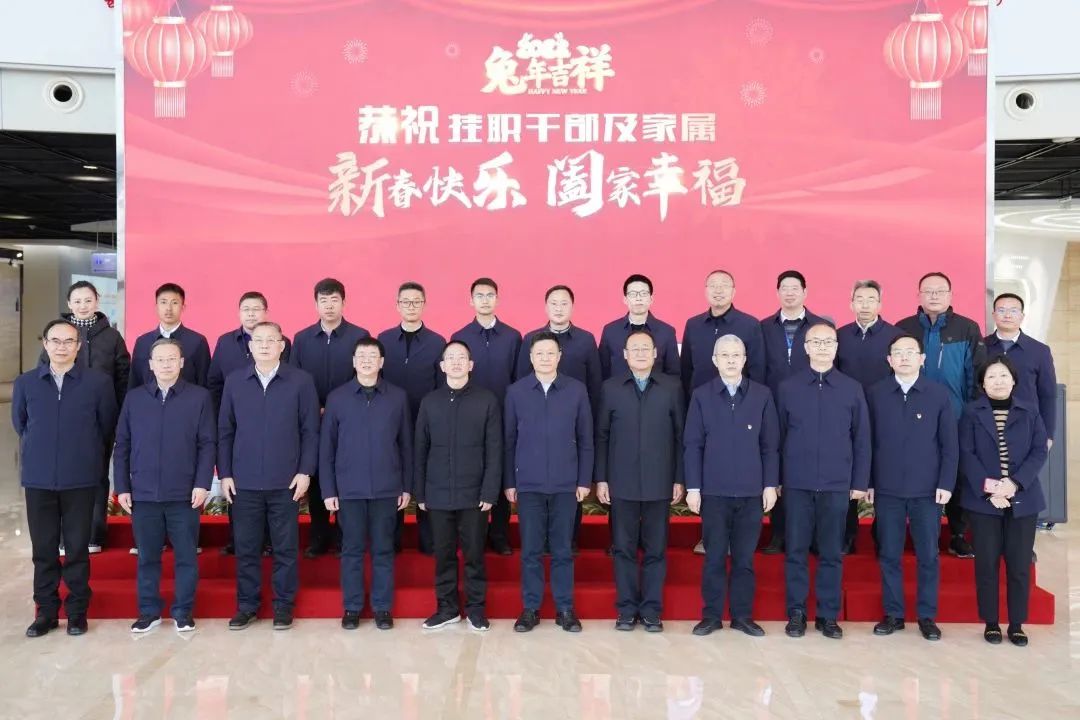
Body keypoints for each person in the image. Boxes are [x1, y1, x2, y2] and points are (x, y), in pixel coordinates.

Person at [14, 319, 118, 637]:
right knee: (44, 549)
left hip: (81, 479)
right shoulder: (27, 383)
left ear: (78, 346)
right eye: (55, 341)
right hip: (38, 479)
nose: (62, 347)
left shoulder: (98, 383)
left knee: (76, 549)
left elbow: (106, 426)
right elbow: (21, 423)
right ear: (45, 344)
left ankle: (76, 613)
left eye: (68, 341)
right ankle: (46, 612)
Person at [219, 322, 320, 631]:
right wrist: (225, 473)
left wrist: (305, 471)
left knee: (285, 548)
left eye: (271, 340)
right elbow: (225, 431)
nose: (264, 345)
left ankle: (283, 606)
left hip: (285, 481)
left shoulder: (301, 381)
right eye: (258, 340)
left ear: (282, 345)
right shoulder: (235, 381)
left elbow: (310, 431)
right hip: (244, 481)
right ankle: (247, 606)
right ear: (250, 346)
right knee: (247, 548)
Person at [114, 338, 216, 633]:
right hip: (143, 494)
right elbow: (123, 445)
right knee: (147, 558)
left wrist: (202, 483)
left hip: (184, 494)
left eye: (172, 359)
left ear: (182, 363)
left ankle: (183, 611)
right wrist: (122, 486)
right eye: (160, 359)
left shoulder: (199, 397)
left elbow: (207, 443)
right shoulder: (135, 399)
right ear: (150, 364)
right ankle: (149, 612)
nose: (166, 364)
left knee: (186, 557)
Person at [778, 323, 870, 640]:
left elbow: (862, 440)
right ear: (805, 347)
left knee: (831, 552)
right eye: (815, 342)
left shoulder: (851, 388)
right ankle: (796, 613)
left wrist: (859, 481)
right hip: (797, 483)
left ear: (836, 347)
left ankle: (828, 615)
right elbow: (777, 437)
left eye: (827, 341)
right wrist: (777, 480)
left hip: (836, 484)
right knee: (796, 551)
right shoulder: (788, 387)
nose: (821, 347)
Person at [684, 334, 779, 638]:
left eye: (736, 355)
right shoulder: (701, 395)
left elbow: (770, 445)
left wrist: (770, 484)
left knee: (744, 559)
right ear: (715, 360)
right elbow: (693, 444)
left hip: (751, 492)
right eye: (724, 355)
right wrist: (693, 488)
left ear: (744, 359)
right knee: (713, 558)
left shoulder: (762, 395)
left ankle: (742, 616)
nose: (730, 360)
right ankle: (711, 616)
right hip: (713, 492)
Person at [865, 334, 957, 642]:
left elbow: (949, 445)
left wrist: (946, 482)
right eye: (898, 353)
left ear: (922, 358)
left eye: (910, 352)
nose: (904, 357)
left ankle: (927, 616)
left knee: (928, 555)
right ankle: (893, 614)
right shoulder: (875, 393)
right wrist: (869, 482)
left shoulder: (938, 394)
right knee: (889, 554)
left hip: (927, 490)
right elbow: (867, 442)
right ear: (889, 360)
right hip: (887, 489)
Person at [595, 329, 684, 632]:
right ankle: (626, 609)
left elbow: (681, 436)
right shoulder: (610, 388)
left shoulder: (672, 387)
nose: (641, 353)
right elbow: (601, 436)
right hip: (621, 482)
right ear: (625, 355)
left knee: (656, 549)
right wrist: (601, 479)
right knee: (623, 549)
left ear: (656, 353)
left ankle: (651, 610)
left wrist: (679, 478)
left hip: (660, 481)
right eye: (635, 349)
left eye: (646, 348)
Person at [320, 337, 412, 631]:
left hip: (387, 488)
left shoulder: (397, 397)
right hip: (349, 489)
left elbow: (406, 446)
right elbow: (327, 449)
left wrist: (406, 486)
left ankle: (383, 608)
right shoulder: (337, 398)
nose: (367, 360)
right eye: (361, 355)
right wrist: (328, 490)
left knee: (384, 550)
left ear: (381, 362)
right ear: (353, 361)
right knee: (352, 551)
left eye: (373, 356)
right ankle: (352, 607)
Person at [505, 332, 594, 633]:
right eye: (539, 353)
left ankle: (565, 609)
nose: (545, 358)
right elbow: (508, 441)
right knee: (530, 550)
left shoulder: (576, 390)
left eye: (550, 353)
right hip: (528, 484)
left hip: (565, 484)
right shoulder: (516, 392)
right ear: (531, 358)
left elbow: (586, 439)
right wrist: (510, 481)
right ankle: (530, 609)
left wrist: (583, 480)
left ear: (559, 357)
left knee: (562, 550)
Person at [959, 357, 1049, 647]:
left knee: (1019, 564)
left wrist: (1014, 484)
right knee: (986, 564)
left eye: (1003, 376)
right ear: (982, 384)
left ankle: (1017, 624)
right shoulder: (971, 412)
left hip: (1023, 498)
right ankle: (991, 622)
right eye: (991, 377)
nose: (998, 381)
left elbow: (1039, 450)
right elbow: (966, 453)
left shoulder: (1030, 411)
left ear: (1013, 381)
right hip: (984, 502)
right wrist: (991, 490)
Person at [415, 340, 502, 632]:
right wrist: (421, 492)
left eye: (461, 357)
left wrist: (489, 490)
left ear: (470, 365)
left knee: (474, 555)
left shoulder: (486, 400)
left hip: (474, 494)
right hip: (437, 493)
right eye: (450, 358)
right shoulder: (430, 401)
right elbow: (420, 449)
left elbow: (494, 449)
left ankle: (476, 610)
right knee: (443, 555)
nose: (455, 362)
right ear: (442, 366)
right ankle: (447, 609)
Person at [898, 272, 986, 559]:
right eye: (928, 291)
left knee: (958, 476)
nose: (934, 295)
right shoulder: (903, 328)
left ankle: (958, 535)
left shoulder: (967, 328)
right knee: (918, 474)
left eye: (940, 291)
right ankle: (922, 535)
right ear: (918, 295)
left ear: (950, 295)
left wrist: (971, 415)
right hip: (910, 420)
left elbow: (977, 376)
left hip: (956, 418)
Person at [43, 281, 130, 554]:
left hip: (101, 420)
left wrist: (120, 416)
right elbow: (42, 376)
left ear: (97, 301)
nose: (83, 306)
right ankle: (63, 536)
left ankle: (94, 535)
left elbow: (123, 378)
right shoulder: (58, 333)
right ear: (69, 304)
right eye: (77, 301)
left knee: (98, 475)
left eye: (88, 300)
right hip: (64, 420)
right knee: (64, 476)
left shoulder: (112, 337)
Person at [517, 285, 602, 552]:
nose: (559, 308)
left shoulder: (586, 340)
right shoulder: (530, 339)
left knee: (570, 488)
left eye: (564, 303)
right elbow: (521, 382)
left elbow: (595, 384)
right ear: (545, 307)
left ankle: (569, 539)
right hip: (537, 422)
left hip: (573, 420)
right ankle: (540, 541)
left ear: (572, 307)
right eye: (554, 303)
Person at [207, 291, 291, 556]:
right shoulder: (225, 342)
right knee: (239, 489)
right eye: (246, 309)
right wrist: (223, 415)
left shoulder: (282, 342)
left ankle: (269, 542)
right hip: (238, 424)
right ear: (239, 313)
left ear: (266, 312)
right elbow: (214, 383)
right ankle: (238, 541)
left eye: (257, 309)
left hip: (273, 426)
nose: (251, 313)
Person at [290, 278, 369, 558]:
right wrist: (315, 408)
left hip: (350, 420)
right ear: (316, 304)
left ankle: (345, 538)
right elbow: (294, 380)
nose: (329, 305)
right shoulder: (301, 339)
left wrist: (337, 407)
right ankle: (319, 537)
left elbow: (365, 375)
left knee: (346, 475)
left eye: (334, 300)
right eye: (323, 300)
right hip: (312, 420)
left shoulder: (359, 336)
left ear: (344, 303)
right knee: (316, 479)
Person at [760, 270, 831, 555]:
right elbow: (757, 368)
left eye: (795, 288)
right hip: (773, 406)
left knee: (810, 466)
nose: (789, 293)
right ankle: (779, 533)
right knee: (778, 464)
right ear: (777, 293)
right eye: (784, 288)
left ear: (805, 292)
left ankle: (815, 535)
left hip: (812, 406)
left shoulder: (821, 327)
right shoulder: (763, 327)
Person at [451, 278, 521, 556]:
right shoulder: (460, 336)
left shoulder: (513, 337)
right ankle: (473, 537)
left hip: (503, 416)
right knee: (473, 472)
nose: (484, 300)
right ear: (471, 301)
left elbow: (518, 380)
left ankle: (500, 535)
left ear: (497, 299)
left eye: (490, 295)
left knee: (500, 472)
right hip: (469, 418)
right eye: (479, 295)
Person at [377, 281, 444, 556]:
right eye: (406, 301)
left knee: (427, 478)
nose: (411, 306)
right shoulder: (382, 340)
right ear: (397, 305)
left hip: (426, 421)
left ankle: (429, 541)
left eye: (416, 301)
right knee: (393, 477)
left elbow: (441, 387)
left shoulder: (437, 342)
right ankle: (392, 540)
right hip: (389, 423)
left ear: (424, 305)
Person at [835, 280, 902, 555]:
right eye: (859, 299)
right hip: (846, 416)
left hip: (885, 414)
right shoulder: (839, 336)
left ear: (880, 304)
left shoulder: (896, 337)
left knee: (885, 472)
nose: (865, 305)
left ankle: (882, 535)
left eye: (871, 299)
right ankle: (847, 535)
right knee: (849, 471)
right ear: (851, 303)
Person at [984, 293, 1057, 447]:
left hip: (1027, 426)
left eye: (1014, 310)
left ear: (1022, 316)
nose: (1007, 315)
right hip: (986, 426)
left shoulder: (1040, 351)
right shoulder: (980, 346)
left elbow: (1048, 395)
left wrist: (1048, 434)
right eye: (1001, 310)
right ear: (993, 315)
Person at [680, 269, 765, 394]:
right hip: (700, 400)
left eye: (724, 285)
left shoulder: (750, 325)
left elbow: (757, 371)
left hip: (738, 399)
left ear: (733, 292)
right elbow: (686, 369)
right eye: (713, 285)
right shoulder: (693, 325)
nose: (718, 290)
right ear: (706, 291)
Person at [128, 283, 212, 389]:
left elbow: (204, 382)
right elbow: (134, 381)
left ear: (183, 307)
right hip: (148, 399)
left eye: (174, 303)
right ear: (156, 307)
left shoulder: (197, 342)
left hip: (187, 399)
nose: (168, 308)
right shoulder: (142, 342)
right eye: (163, 302)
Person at [598, 274, 680, 380]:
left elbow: (673, 374)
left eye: (643, 293)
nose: (638, 298)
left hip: (657, 390)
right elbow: (602, 371)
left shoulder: (666, 332)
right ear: (625, 299)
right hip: (617, 390)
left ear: (651, 299)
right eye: (633, 294)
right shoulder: (610, 331)